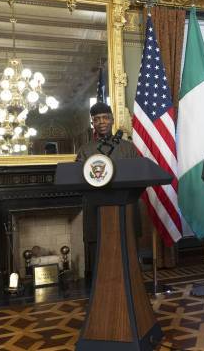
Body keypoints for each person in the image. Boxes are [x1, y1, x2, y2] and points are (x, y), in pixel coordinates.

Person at [76, 102, 140, 280]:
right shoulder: (85, 150)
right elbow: (78, 179)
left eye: (105, 118)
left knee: (126, 258)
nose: (101, 122)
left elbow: (137, 176)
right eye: (97, 119)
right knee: (100, 261)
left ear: (112, 120)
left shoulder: (127, 147)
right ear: (93, 124)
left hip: (124, 208)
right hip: (96, 210)